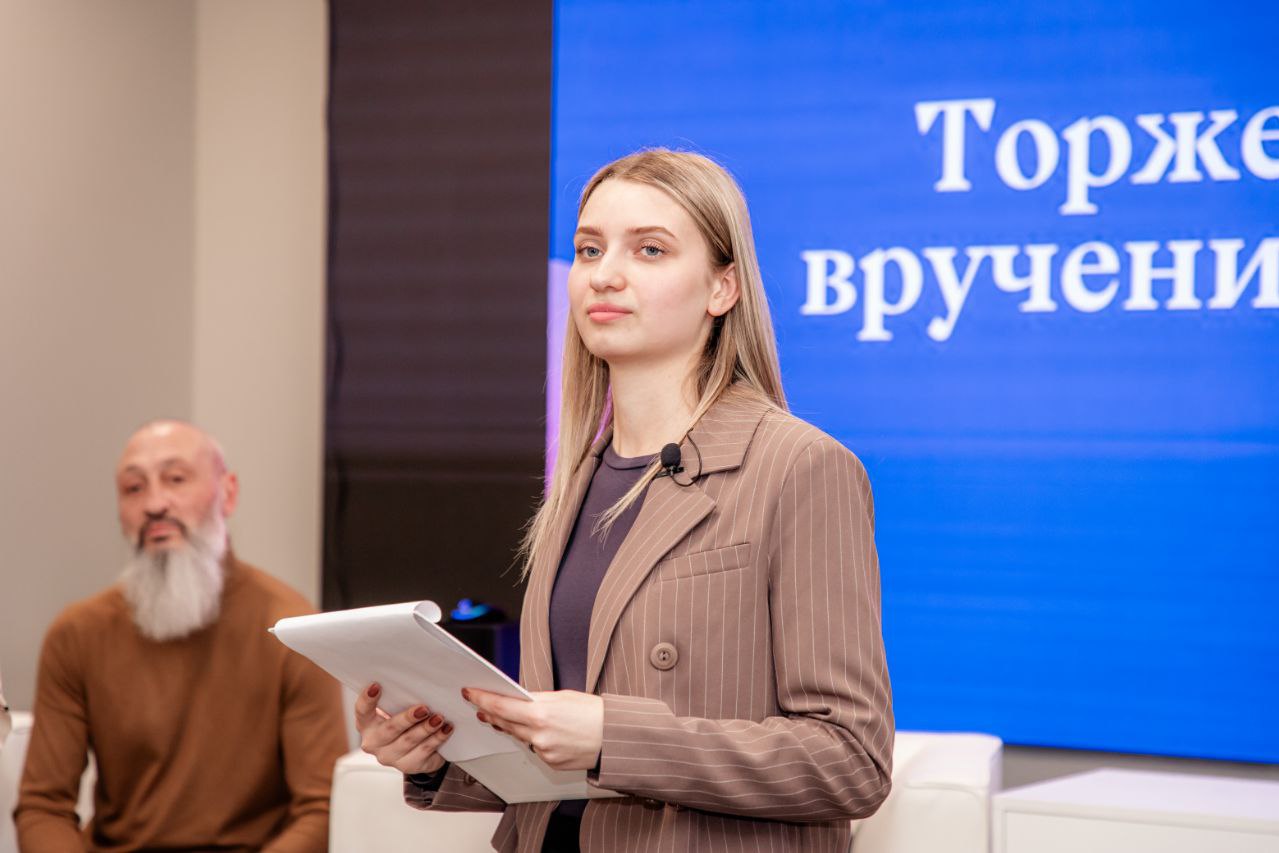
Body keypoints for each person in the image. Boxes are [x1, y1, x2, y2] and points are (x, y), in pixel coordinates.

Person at [355, 149, 894, 851]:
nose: (604, 274)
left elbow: (851, 760)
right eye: (589, 249)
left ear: (722, 287)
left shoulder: (801, 466)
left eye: (650, 249)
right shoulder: (580, 478)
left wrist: (614, 736)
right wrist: (434, 754)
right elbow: (562, 760)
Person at [16, 420, 348, 852]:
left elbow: (323, 809)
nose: (155, 504)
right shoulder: (77, 634)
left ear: (227, 493)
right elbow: (43, 807)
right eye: (134, 488)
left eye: (175, 479)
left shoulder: (292, 630)